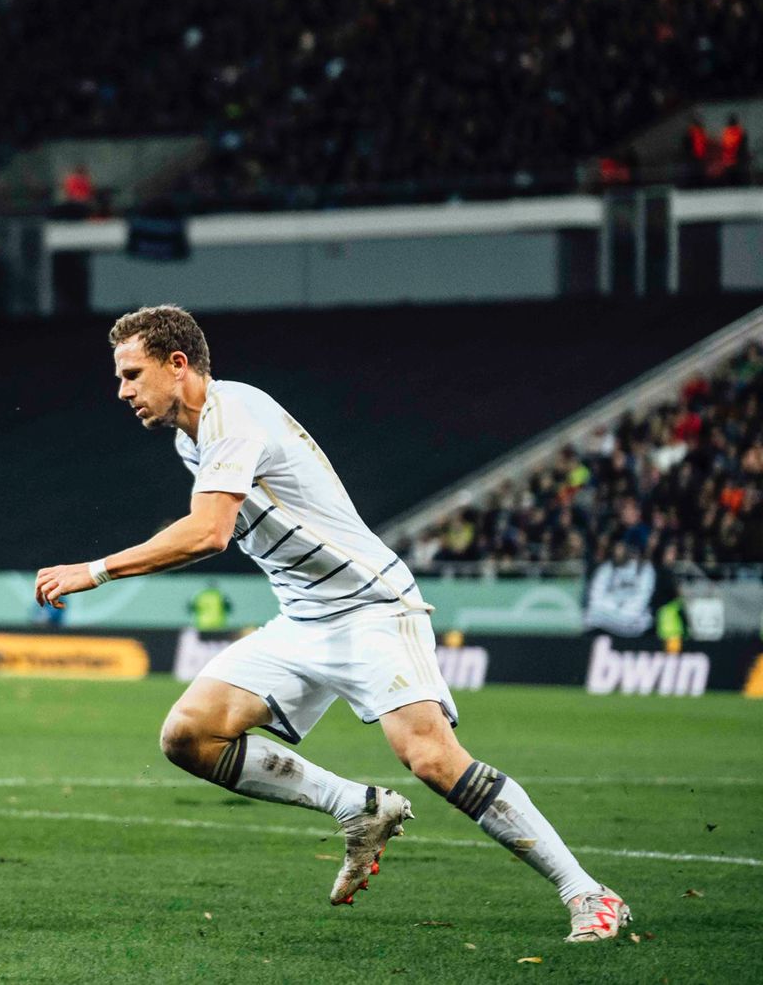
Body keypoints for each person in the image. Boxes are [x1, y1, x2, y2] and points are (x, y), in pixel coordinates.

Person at [34, 306, 629, 944]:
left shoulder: (232, 415)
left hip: (371, 608)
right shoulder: (191, 437)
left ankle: (589, 894)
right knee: (189, 735)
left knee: (429, 758)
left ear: (178, 366)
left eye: (132, 374)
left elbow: (209, 534)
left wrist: (94, 570)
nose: (122, 391)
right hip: (304, 617)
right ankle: (357, 806)